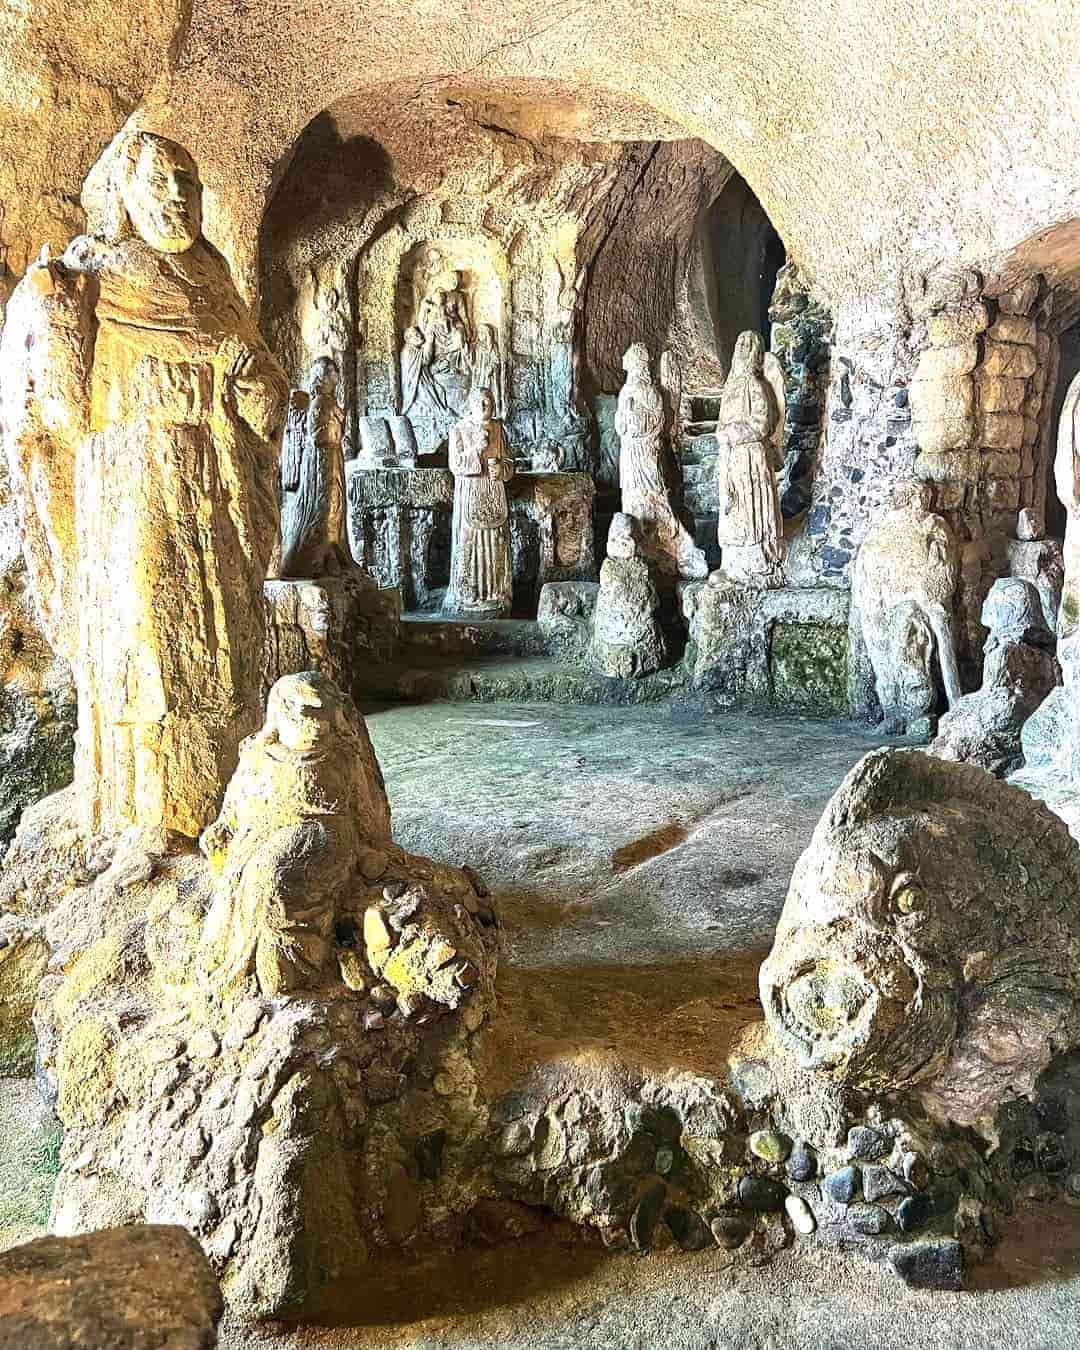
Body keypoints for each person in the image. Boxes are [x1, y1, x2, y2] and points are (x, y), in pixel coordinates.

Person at [1, 130, 288, 842]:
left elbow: (263, 389)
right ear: (123, 196)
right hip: (139, 485)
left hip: (218, 484)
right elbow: (61, 410)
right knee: (149, 645)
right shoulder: (96, 274)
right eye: (160, 181)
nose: (177, 196)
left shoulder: (214, 276)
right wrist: (53, 316)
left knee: (228, 644)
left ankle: (227, 800)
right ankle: (150, 816)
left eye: (187, 181)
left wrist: (251, 382)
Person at [715, 330, 786, 583]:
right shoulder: (730, 387)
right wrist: (722, 434)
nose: (743, 346)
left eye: (748, 343)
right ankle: (732, 562)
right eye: (740, 342)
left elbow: (762, 423)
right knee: (732, 507)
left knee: (750, 508)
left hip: (751, 455)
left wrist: (733, 433)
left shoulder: (756, 385)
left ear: (755, 351)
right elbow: (721, 421)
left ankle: (756, 561)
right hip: (732, 456)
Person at [445, 386, 516, 616]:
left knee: (496, 541)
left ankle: (497, 594)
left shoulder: (498, 429)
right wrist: (476, 450)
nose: (484, 406)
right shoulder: (459, 429)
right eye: (479, 402)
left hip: (493, 493)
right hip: (471, 493)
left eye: (488, 401)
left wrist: (502, 470)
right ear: (471, 405)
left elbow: (510, 462)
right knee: (470, 543)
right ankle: (468, 595)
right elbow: (455, 465)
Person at [278, 357, 351, 577]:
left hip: (333, 456)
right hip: (321, 458)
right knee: (324, 505)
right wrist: (332, 427)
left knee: (336, 504)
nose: (336, 378)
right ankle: (315, 558)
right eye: (332, 373)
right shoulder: (319, 403)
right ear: (323, 377)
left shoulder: (328, 402)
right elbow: (316, 435)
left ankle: (333, 549)